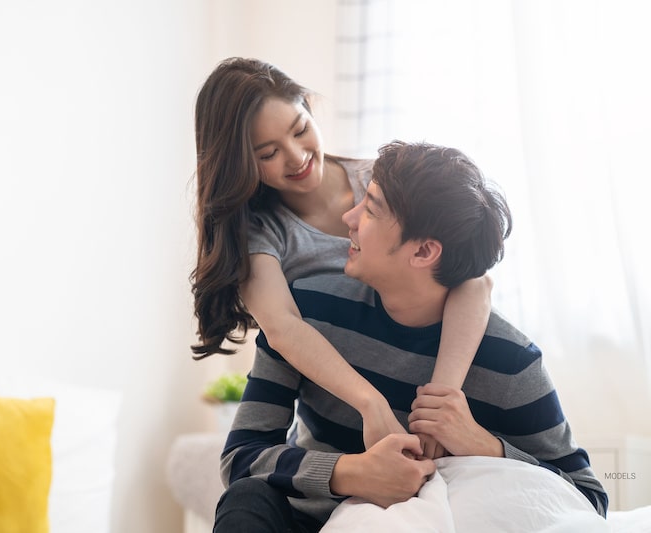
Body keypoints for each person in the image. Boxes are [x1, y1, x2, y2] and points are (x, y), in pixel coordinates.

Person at [213, 140, 608, 532]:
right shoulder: (310, 311)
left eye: (369, 209)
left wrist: (484, 445)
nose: (348, 218)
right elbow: (241, 458)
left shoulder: (510, 361)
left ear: (422, 253)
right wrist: (352, 472)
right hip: (309, 522)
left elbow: (587, 499)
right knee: (246, 501)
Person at [190, 57, 493, 455]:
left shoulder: (381, 181)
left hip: (433, 410)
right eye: (268, 153)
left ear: (309, 109)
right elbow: (282, 329)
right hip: (338, 433)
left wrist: (441, 402)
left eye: (300, 130)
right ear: (240, 162)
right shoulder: (260, 234)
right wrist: (370, 403)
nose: (297, 157)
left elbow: (473, 280)